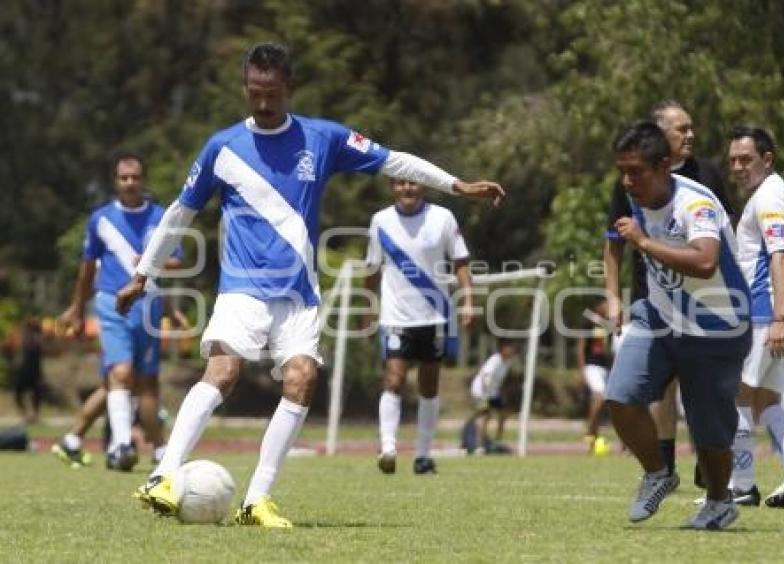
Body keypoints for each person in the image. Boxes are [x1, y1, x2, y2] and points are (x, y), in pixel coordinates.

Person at [117, 42, 504, 528]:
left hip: (298, 294)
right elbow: (180, 213)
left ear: (290, 89)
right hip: (241, 287)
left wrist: (458, 185)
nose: (262, 103)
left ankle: (257, 500)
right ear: (246, 88)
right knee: (223, 370)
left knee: (302, 378)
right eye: (254, 93)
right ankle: (164, 475)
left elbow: (393, 160)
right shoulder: (222, 147)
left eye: (272, 93)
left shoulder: (323, 139)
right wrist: (142, 275)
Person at [604, 121, 751, 530]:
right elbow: (613, 240)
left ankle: (720, 502)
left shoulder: (695, 204)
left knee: (709, 432)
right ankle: (658, 472)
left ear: (665, 165)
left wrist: (645, 243)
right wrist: (614, 294)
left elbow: (705, 261)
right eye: (623, 171)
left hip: (717, 327)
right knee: (620, 396)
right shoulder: (633, 195)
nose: (628, 181)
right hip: (659, 316)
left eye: (637, 172)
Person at [55, 151, 181, 471]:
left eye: (135, 177)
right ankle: (121, 446)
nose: (130, 183)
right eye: (124, 178)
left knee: (145, 383)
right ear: (115, 181)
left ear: (143, 180)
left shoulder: (161, 217)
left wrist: (165, 295)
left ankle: (157, 450)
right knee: (121, 375)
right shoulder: (101, 219)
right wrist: (77, 308)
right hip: (112, 304)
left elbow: (176, 262)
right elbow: (86, 269)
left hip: (149, 306)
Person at [727, 126, 784, 507]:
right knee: (765, 401)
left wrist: (778, 317)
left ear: (768, 159)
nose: (737, 167)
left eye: (746, 159)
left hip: (768, 311)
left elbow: (779, 255)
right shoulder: (782, 193)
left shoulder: (767, 198)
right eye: (733, 160)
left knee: (737, 393)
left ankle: (741, 483)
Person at [365, 178, 476, 474]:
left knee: (429, 386)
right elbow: (372, 269)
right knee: (394, 378)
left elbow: (461, 261)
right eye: (400, 184)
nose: (407, 189)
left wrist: (468, 301)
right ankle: (388, 448)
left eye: (413, 184)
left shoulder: (442, 218)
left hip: (435, 316)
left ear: (423, 187)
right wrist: (368, 308)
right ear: (392, 187)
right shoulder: (381, 221)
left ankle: (423, 456)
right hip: (395, 316)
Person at [576, 299, 613, 455]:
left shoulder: (607, 325)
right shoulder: (588, 323)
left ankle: (592, 437)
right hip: (592, 366)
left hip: (605, 367)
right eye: (606, 305)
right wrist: (582, 370)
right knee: (599, 396)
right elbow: (580, 348)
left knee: (606, 402)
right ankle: (589, 432)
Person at [468, 340, 516, 454]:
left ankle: (497, 441)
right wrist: (485, 395)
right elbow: (485, 375)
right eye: (510, 348)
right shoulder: (495, 360)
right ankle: (479, 446)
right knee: (485, 416)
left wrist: (498, 392)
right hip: (481, 391)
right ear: (503, 350)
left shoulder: (507, 363)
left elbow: (500, 380)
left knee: (503, 413)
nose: (512, 351)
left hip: (493, 392)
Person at [14, 317, 44, 423]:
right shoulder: (25, 337)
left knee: (36, 394)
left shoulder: (36, 338)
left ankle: (33, 415)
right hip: (26, 370)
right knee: (20, 393)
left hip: (33, 370)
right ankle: (26, 415)